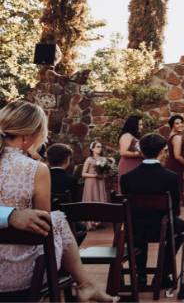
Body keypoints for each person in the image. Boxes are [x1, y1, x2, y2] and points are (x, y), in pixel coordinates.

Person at [0, 100, 116, 302]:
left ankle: (86, 285)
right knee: (56, 219)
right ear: (29, 136)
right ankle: (85, 284)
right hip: (22, 275)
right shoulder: (36, 169)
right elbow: (42, 228)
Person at [120, 133, 184, 289]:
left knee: (137, 224)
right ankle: (162, 274)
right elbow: (175, 208)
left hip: (134, 229)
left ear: (141, 152)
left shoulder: (126, 178)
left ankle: (140, 275)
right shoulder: (170, 177)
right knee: (181, 228)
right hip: (161, 227)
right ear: (162, 151)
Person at [81, 141, 109, 229]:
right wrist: (94, 175)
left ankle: (99, 221)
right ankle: (90, 222)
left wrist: (103, 175)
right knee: (91, 199)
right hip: (91, 183)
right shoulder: (89, 159)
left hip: (100, 182)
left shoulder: (103, 159)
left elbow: (106, 173)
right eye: (97, 147)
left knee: (99, 199)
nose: (99, 148)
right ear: (92, 149)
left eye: (100, 147)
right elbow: (83, 174)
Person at [164, 115, 184, 208]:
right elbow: (177, 156)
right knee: (177, 190)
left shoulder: (171, 135)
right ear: (172, 125)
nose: (180, 125)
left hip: (170, 164)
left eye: (181, 122)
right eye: (177, 123)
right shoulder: (177, 137)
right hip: (176, 166)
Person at [117, 115, 144, 190]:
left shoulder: (134, 136)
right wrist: (138, 154)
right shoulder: (127, 135)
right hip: (128, 165)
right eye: (140, 124)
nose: (141, 127)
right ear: (133, 125)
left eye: (142, 124)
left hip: (136, 165)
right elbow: (123, 152)